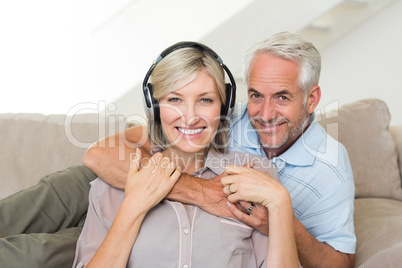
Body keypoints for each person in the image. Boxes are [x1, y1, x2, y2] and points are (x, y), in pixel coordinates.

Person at [84, 32, 356, 268]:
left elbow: (339, 262)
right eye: (256, 95)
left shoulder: (322, 167)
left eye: (282, 97)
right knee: (54, 203)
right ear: (154, 107)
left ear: (312, 100)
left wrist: (278, 212)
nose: (265, 113)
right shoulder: (228, 120)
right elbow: (98, 155)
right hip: (109, 173)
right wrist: (199, 192)